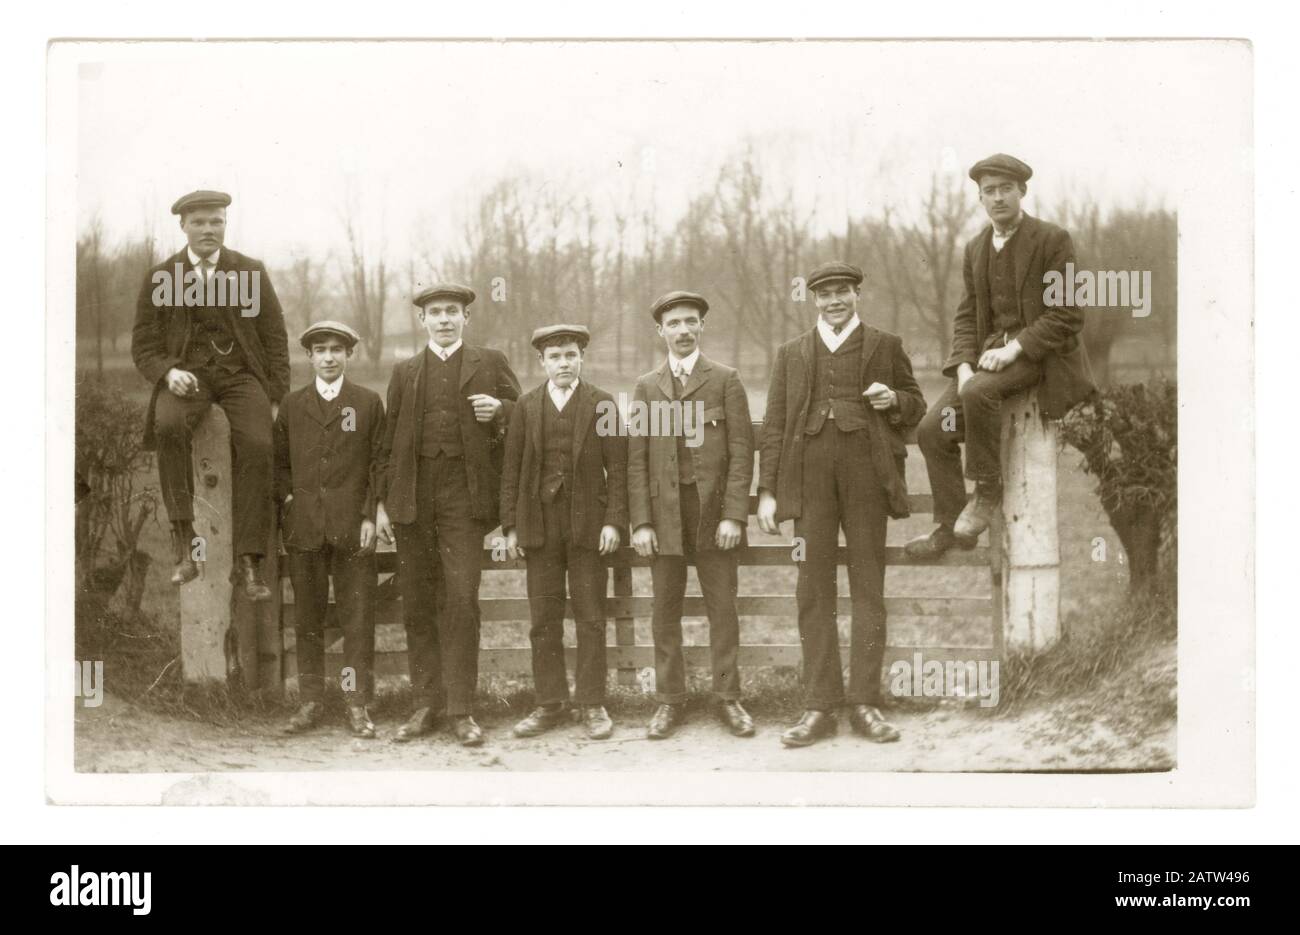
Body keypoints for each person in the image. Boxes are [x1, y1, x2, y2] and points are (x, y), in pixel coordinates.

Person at [757, 261, 926, 747]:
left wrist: (893, 397)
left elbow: (916, 403)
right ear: (813, 300)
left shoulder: (884, 345)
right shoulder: (791, 353)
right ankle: (819, 705)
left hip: (866, 476)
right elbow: (773, 426)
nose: (835, 301)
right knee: (812, 587)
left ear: (856, 295)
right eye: (826, 294)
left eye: (843, 292)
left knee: (868, 585)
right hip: (808, 479)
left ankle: (865, 702)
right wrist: (768, 490)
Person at [907, 154, 1096, 558]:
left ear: (1022, 192)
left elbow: (1067, 313)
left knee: (977, 394)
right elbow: (966, 314)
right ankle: (948, 524)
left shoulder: (1052, 239)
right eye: (989, 192)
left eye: (1005, 189)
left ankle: (987, 491)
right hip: (987, 359)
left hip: (1038, 355)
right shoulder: (975, 247)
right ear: (979, 199)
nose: (998, 199)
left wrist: (1014, 348)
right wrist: (961, 365)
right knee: (930, 429)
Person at [377, 283, 520, 746]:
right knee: (417, 603)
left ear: (466, 318)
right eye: (435, 312)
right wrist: (383, 503)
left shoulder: (490, 362)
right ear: (423, 320)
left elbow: (526, 418)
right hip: (414, 501)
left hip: (464, 499)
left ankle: (461, 710)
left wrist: (500, 409)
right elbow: (387, 444)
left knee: (461, 600)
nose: (443, 319)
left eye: (452, 311)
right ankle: (425, 705)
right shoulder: (405, 371)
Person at [131, 189, 289, 599]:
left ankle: (250, 561)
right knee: (168, 426)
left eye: (215, 221)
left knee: (257, 443)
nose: (208, 229)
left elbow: (275, 338)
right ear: (182, 226)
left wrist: (275, 397)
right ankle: (185, 544)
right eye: (198, 222)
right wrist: (168, 372)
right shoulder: (162, 277)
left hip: (241, 376)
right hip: (189, 378)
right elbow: (143, 345)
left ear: (225, 224)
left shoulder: (249, 272)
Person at [627, 291, 756, 740]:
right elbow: (636, 461)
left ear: (702, 326)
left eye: (691, 322)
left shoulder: (725, 379)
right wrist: (641, 523)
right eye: (674, 323)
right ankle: (669, 701)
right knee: (665, 610)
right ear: (660, 331)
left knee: (723, 609)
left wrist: (734, 515)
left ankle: (728, 699)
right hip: (664, 520)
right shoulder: (646, 387)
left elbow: (742, 453)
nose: (683, 330)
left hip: (712, 517)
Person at [500, 325, 628, 740]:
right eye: (555, 356)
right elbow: (511, 471)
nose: (564, 363)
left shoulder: (602, 404)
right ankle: (549, 704)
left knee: (591, 618)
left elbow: (621, 469)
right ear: (542, 362)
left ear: (582, 358)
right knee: (544, 621)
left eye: (571, 355)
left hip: (589, 528)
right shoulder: (526, 406)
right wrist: (511, 527)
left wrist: (612, 521)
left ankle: (592, 704)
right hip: (539, 529)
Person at [274, 321, 384, 738]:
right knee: (307, 618)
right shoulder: (292, 405)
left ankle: (356, 704)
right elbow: (278, 463)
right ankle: (311, 701)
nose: (329, 357)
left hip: (353, 530)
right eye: (320, 350)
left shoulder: (367, 403)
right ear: (309, 357)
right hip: (305, 529)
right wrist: (288, 500)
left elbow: (378, 463)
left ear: (349, 354)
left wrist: (371, 514)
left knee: (358, 619)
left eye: (337, 349)